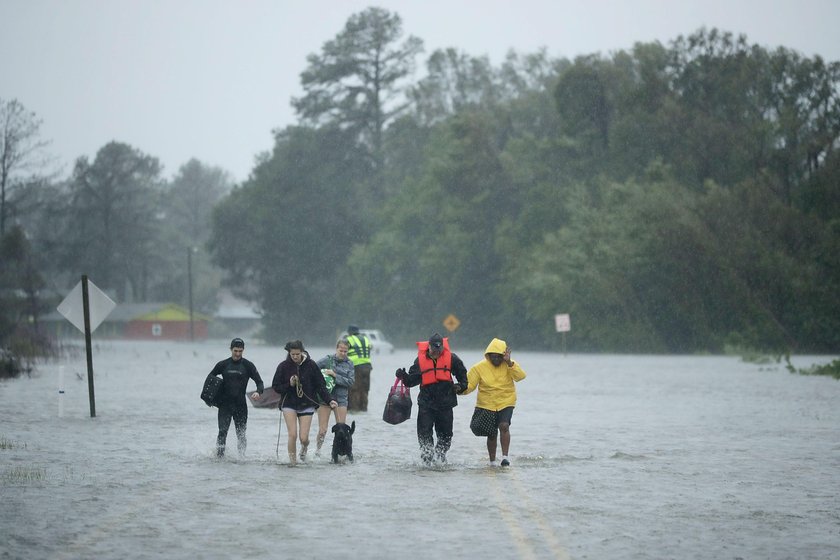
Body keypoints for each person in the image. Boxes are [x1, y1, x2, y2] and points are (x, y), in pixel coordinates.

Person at [396, 333, 468, 465]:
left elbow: (463, 377)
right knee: (424, 434)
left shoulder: (452, 359)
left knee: (446, 435)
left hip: (446, 404)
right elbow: (411, 382)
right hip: (426, 404)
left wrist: (460, 386)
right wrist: (403, 376)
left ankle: (440, 456)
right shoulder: (420, 361)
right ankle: (427, 459)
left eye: (439, 350)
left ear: (442, 348)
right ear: (429, 347)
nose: (436, 353)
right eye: (434, 350)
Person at [462, 338, 527, 467]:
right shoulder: (478, 367)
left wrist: (509, 362)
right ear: (488, 355)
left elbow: (520, 376)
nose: (496, 359)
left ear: (504, 356)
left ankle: (505, 458)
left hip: (506, 401)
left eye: (499, 357)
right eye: (493, 357)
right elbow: (469, 386)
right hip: (487, 403)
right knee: (491, 433)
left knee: (504, 426)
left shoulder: (509, 364)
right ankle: (492, 461)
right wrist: (459, 389)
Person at [272, 340, 337, 465]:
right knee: (292, 435)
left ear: (302, 352)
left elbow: (320, 386)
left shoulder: (311, 365)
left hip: (307, 404)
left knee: (304, 438)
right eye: (292, 354)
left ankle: (304, 447)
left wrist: (330, 400)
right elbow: (276, 387)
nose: (295, 357)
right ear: (289, 353)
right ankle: (293, 463)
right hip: (288, 404)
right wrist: (289, 384)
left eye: (297, 354)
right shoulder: (283, 366)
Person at [205, 337, 264, 458]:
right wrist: (211, 397)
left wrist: (258, 392)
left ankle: (241, 458)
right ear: (230, 349)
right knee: (222, 432)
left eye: (240, 351)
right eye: (235, 351)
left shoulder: (248, 365)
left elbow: (260, 382)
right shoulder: (223, 364)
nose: (237, 354)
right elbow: (210, 378)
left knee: (241, 434)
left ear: (243, 350)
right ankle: (219, 458)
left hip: (240, 405)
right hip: (225, 405)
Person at [314, 339, 355, 455]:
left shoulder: (350, 364)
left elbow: (351, 382)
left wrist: (335, 375)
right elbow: (313, 368)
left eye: (345, 351)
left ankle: (341, 453)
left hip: (341, 400)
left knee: (342, 431)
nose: (343, 353)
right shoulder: (327, 360)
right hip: (325, 398)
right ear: (336, 348)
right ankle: (317, 451)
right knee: (323, 431)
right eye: (341, 350)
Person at [346, 325, 373, 411]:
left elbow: (343, 351)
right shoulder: (365, 339)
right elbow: (370, 347)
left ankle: (355, 410)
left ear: (350, 332)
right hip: (367, 366)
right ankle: (364, 409)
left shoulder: (349, 339)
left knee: (354, 389)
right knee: (365, 389)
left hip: (356, 366)